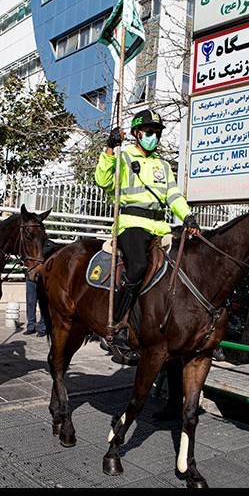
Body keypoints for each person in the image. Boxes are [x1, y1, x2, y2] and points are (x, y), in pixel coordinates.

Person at [94, 109, 200, 345]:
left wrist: (188, 217)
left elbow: (173, 196)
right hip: (131, 224)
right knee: (138, 265)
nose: (154, 136)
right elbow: (102, 181)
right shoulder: (123, 157)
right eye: (150, 131)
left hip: (159, 227)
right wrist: (109, 149)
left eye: (157, 133)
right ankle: (117, 323)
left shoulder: (162, 165)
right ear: (137, 133)